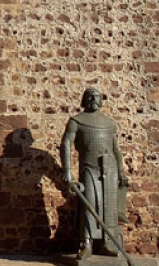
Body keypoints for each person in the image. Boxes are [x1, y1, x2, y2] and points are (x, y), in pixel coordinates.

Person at [60, 88, 128, 259]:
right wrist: (67, 170)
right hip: (89, 167)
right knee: (90, 204)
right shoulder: (76, 121)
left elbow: (116, 149)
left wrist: (121, 170)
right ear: (84, 100)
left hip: (109, 168)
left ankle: (106, 243)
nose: (93, 99)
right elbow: (66, 143)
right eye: (90, 96)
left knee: (109, 207)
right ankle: (87, 244)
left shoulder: (109, 123)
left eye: (96, 96)